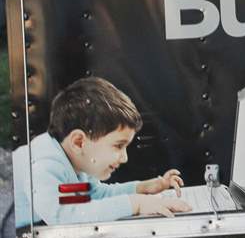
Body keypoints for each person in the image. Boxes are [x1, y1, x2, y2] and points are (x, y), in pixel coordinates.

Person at [13, 76, 191, 228]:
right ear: (79, 142)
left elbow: (96, 195)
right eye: (118, 145)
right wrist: (135, 204)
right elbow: (61, 216)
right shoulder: (43, 164)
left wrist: (143, 188)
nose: (124, 158)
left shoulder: (74, 161)